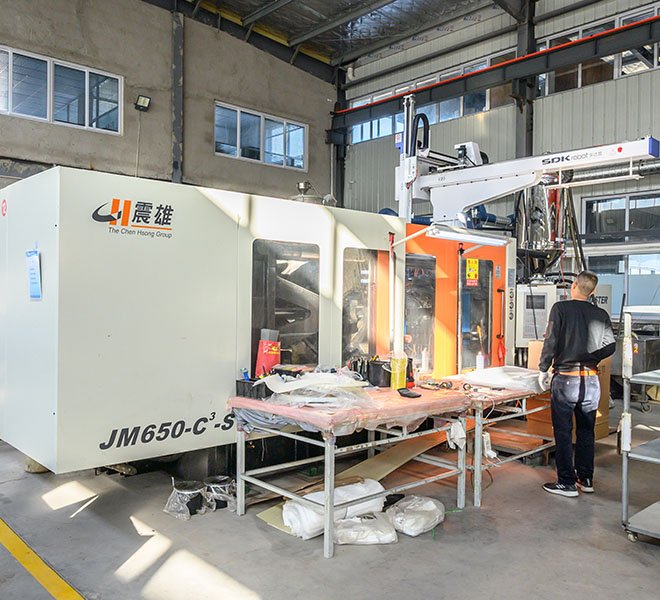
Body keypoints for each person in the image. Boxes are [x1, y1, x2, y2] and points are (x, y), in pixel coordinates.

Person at [537, 271, 616, 497]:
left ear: (573, 285)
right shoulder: (600, 314)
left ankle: (566, 483)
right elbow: (611, 346)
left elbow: (551, 340)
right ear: (593, 292)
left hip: (565, 380)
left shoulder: (560, 309)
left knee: (563, 432)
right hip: (590, 380)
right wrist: (591, 357)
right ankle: (586, 479)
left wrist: (543, 368)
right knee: (586, 431)